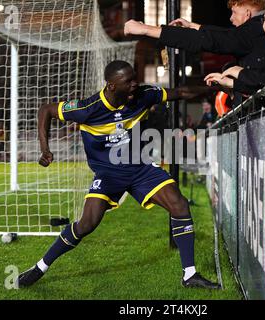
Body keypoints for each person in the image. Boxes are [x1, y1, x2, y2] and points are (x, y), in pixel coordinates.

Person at [16, 60, 221, 290]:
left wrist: (217, 87)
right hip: (108, 172)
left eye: (135, 78)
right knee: (86, 224)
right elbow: (46, 110)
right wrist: (45, 149)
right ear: (112, 86)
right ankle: (40, 267)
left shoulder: (144, 95)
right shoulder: (87, 108)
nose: (135, 84)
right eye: (129, 81)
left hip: (139, 166)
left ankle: (190, 275)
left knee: (179, 204)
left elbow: (181, 92)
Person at [124, 0, 265, 107]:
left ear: (247, 14)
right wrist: (194, 26)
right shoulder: (258, 28)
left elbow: (214, 40)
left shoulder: (255, 31)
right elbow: (226, 35)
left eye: (234, 13)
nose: (231, 18)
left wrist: (146, 29)